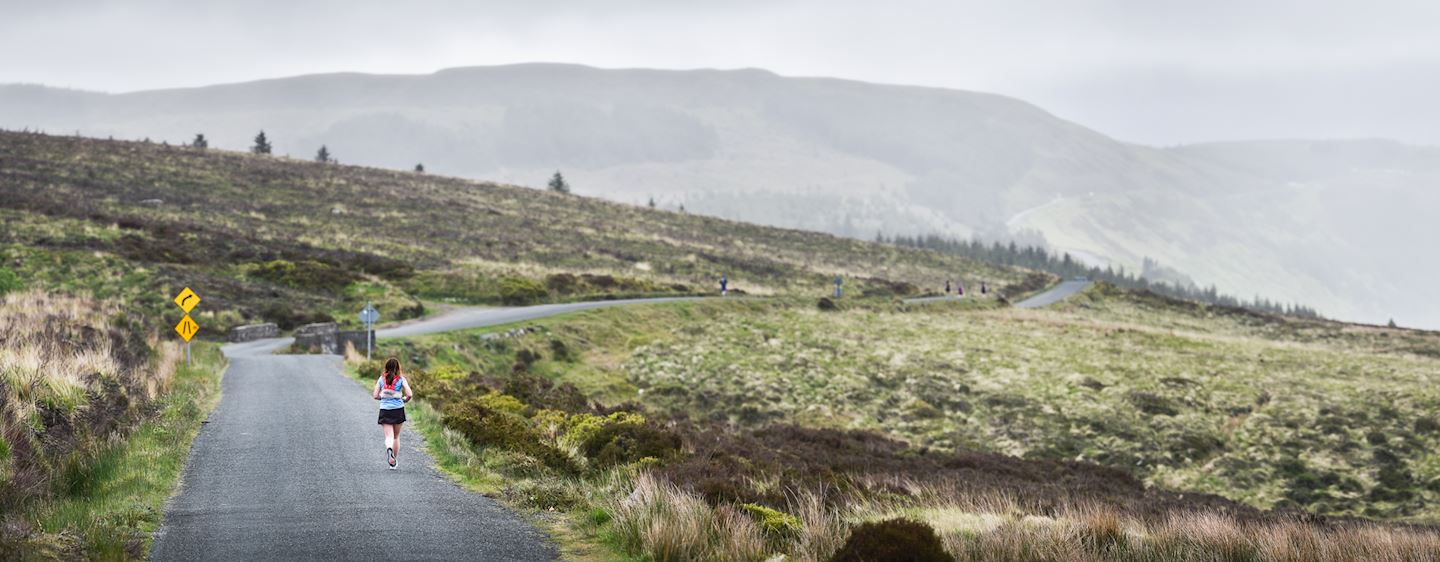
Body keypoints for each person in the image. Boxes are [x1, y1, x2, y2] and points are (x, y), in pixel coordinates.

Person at [372, 357, 413, 470]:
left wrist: (383, 397)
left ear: (386, 367)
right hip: (398, 410)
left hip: (385, 410)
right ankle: (393, 460)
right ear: (398, 368)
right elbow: (409, 394)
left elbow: (375, 395)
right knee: (396, 437)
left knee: (388, 436)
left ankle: (388, 449)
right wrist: (405, 399)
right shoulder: (401, 379)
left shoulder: (381, 379)